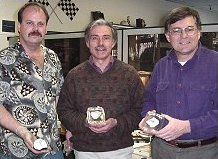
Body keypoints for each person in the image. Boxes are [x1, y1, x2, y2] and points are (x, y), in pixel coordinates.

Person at [57, 19, 144, 159]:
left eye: (106, 38)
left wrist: (116, 123)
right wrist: (84, 122)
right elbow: (64, 112)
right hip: (85, 151)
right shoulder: (74, 75)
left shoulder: (129, 74)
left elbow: (140, 110)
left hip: (121, 150)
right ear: (87, 43)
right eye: (94, 38)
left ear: (113, 42)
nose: (100, 43)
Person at [139, 6, 218, 159]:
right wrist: (148, 117)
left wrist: (187, 126)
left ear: (199, 32)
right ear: (168, 36)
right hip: (162, 150)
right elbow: (148, 100)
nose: (183, 36)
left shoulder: (215, 63)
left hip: (204, 151)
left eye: (189, 29)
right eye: (176, 31)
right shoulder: (161, 66)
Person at [0, 2, 64, 159]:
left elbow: (57, 99)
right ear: (19, 26)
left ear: (46, 28)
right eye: (30, 23)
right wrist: (23, 132)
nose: (36, 28)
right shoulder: (4, 60)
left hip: (52, 147)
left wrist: (68, 128)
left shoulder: (53, 58)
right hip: (16, 151)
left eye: (40, 24)